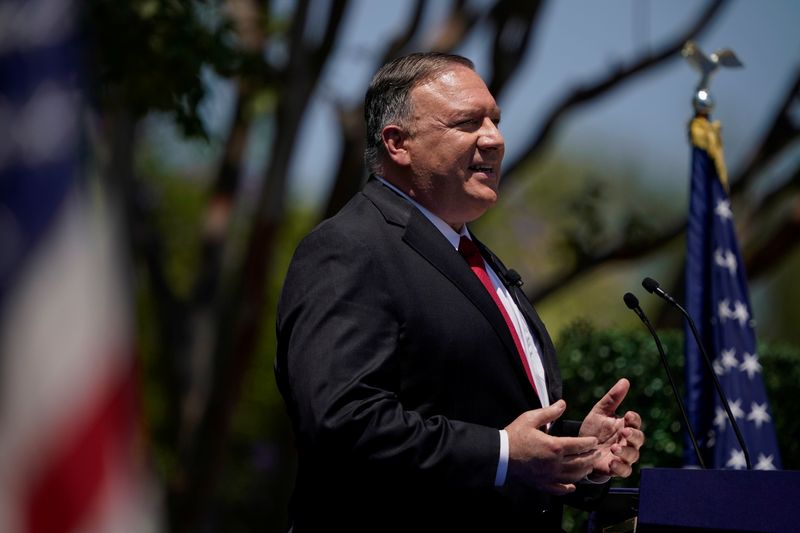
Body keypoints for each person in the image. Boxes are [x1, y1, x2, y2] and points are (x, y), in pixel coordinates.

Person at [274, 52, 644, 532]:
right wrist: (506, 452)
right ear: (397, 142)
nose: (494, 138)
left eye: (495, 120)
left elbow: (477, 417)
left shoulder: (473, 257)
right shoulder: (349, 248)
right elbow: (342, 421)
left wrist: (572, 450)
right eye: (466, 122)